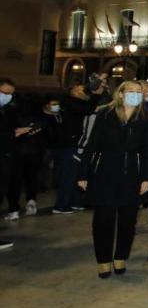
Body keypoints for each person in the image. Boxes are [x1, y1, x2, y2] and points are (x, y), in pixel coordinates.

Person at [77, 81, 148, 278]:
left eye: (139, 92)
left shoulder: (146, 118)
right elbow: (91, 145)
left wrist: (147, 177)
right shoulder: (105, 114)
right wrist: (83, 173)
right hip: (105, 172)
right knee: (103, 219)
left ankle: (121, 255)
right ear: (120, 94)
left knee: (128, 220)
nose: (136, 95)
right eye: (131, 91)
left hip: (132, 174)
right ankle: (103, 259)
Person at [53, 81, 108, 214]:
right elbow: (88, 110)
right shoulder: (69, 102)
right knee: (68, 175)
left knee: (78, 175)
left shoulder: (81, 103)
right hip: (71, 144)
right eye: (78, 90)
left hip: (78, 144)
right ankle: (61, 205)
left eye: (83, 90)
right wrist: (95, 94)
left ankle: (76, 202)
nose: (81, 93)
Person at [6, 95, 47, 220]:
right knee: (32, 179)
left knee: (15, 182)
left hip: (17, 154)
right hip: (35, 153)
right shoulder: (41, 119)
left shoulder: (14, 117)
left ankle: (14, 210)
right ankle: (31, 202)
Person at [0, 77, 17, 248]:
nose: (7, 97)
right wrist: (13, 134)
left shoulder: (5, 110)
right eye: (4, 93)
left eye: (10, 94)